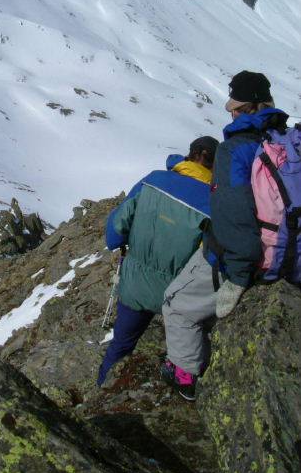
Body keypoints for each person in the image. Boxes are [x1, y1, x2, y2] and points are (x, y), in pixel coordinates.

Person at [161, 70, 289, 400]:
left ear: (241, 109)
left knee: (176, 304)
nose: (230, 113)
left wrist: (238, 277)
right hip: (288, 249)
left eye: (233, 107)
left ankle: (184, 375)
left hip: (244, 258)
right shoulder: (284, 139)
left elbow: (234, 219)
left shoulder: (233, 150)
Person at [97, 136, 219, 386]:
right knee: (189, 345)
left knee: (120, 346)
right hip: (178, 295)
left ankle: (101, 392)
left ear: (190, 154)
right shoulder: (214, 202)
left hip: (135, 286)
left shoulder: (152, 181)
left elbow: (115, 230)